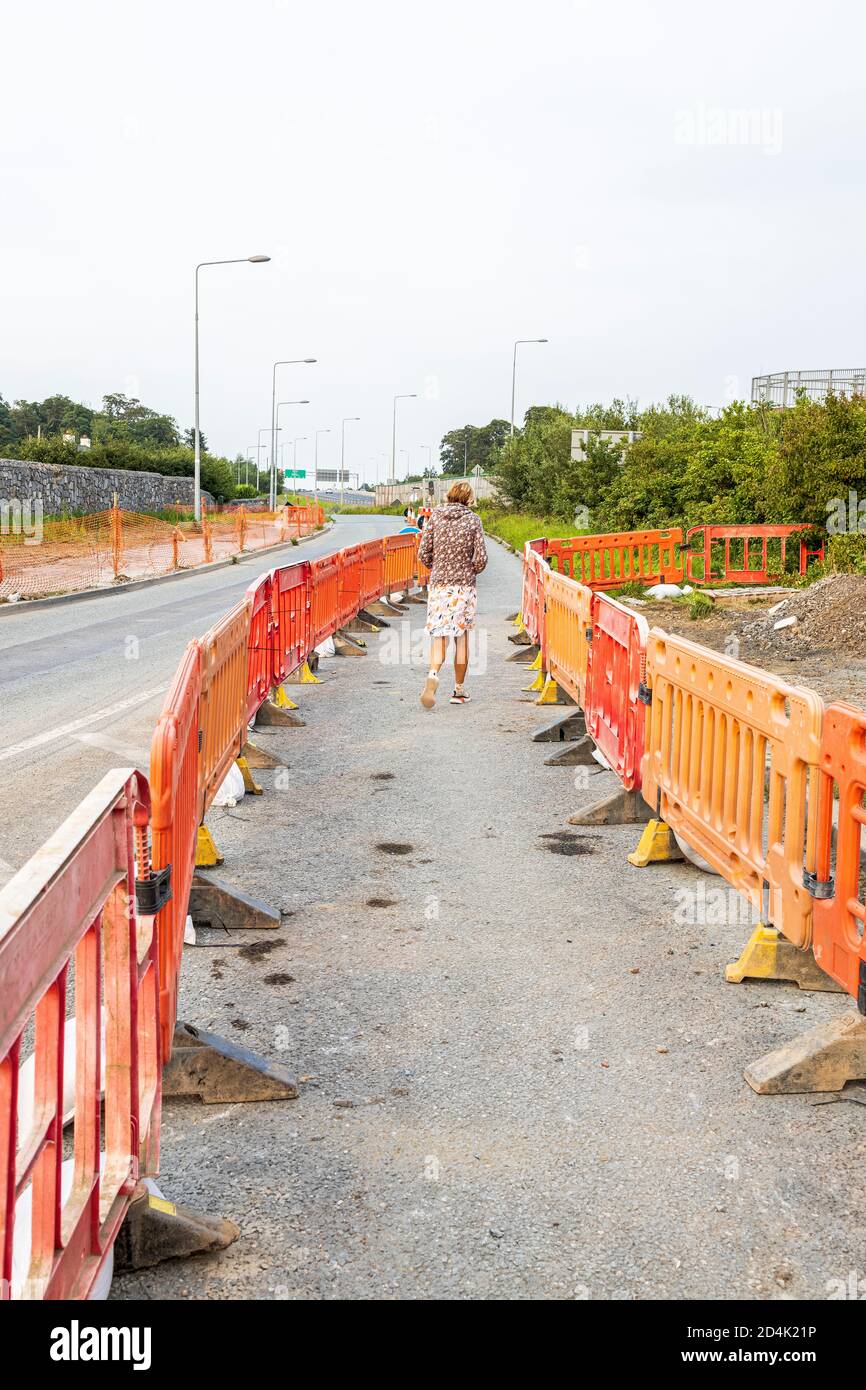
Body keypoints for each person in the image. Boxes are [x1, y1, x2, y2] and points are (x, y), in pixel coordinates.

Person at [416, 481, 487, 708]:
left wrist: (436, 567)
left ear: (450, 495)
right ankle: (458, 690)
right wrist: (470, 569)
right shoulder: (473, 520)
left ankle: (434, 673)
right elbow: (481, 558)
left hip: (439, 586)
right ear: (469, 499)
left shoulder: (435, 516)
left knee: (440, 637)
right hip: (463, 587)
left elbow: (423, 552)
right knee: (461, 638)